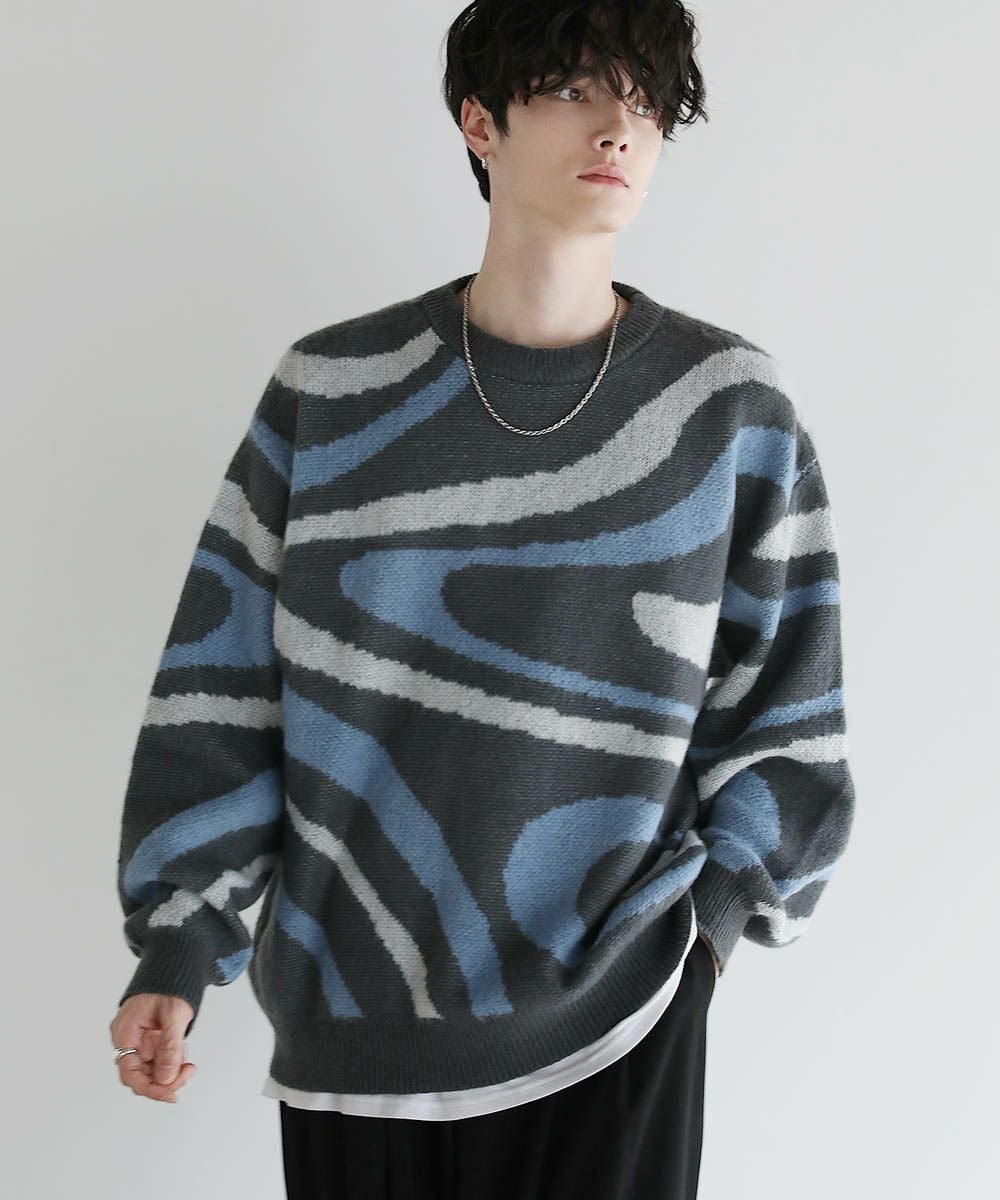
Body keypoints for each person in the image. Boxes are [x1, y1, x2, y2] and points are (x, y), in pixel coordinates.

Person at [110, 2, 856, 1197]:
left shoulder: (725, 410)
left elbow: (787, 706)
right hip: (356, 1029)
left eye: (646, 102)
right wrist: (178, 946)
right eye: (574, 89)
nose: (618, 128)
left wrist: (710, 932)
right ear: (478, 121)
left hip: (620, 1019)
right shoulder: (333, 392)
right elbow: (222, 686)